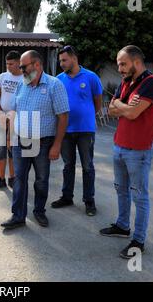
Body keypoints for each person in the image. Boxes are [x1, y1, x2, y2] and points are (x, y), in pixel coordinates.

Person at [99, 45, 153, 259]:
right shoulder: (126, 83)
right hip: (119, 145)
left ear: (136, 62)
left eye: (123, 63)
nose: (119, 68)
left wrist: (123, 106)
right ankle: (122, 225)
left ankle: (138, 241)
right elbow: (110, 110)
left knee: (140, 196)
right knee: (121, 189)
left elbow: (134, 113)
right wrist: (122, 105)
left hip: (139, 150)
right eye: (119, 64)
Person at [0, 50, 69, 230]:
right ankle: (18, 216)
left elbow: (63, 117)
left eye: (24, 66)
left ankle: (39, 211)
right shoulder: (22, 84)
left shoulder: (55, 85)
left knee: (41, 179)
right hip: (20, 140)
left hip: (44, 142)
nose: (21, 70)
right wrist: (9, 135)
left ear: (37, 65)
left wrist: (57, 145)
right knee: (19, 179)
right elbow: (14, 112)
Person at [51, 45, 103, 216]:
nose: (61, 64)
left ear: (74, 58)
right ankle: (67, 197)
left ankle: (89, 201)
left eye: (64, 60)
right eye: (60, 61)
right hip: (65, 130)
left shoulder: (91, 77)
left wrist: (86, 116)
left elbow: (97, 102)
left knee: (87, 166)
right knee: (68, 165)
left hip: (86, 130)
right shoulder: (58, 80)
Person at [0, 51, 23, 191]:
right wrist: (0, 114)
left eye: (11, 64)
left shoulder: (26, 78)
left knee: (13, 150)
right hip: (1, 118)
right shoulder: (2, 76)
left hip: (18, 119)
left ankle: (13, 178)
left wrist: (12, 117)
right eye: (6, 63)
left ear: (19, 62)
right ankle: (1, 178)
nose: (8, 66)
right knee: (0, 150)